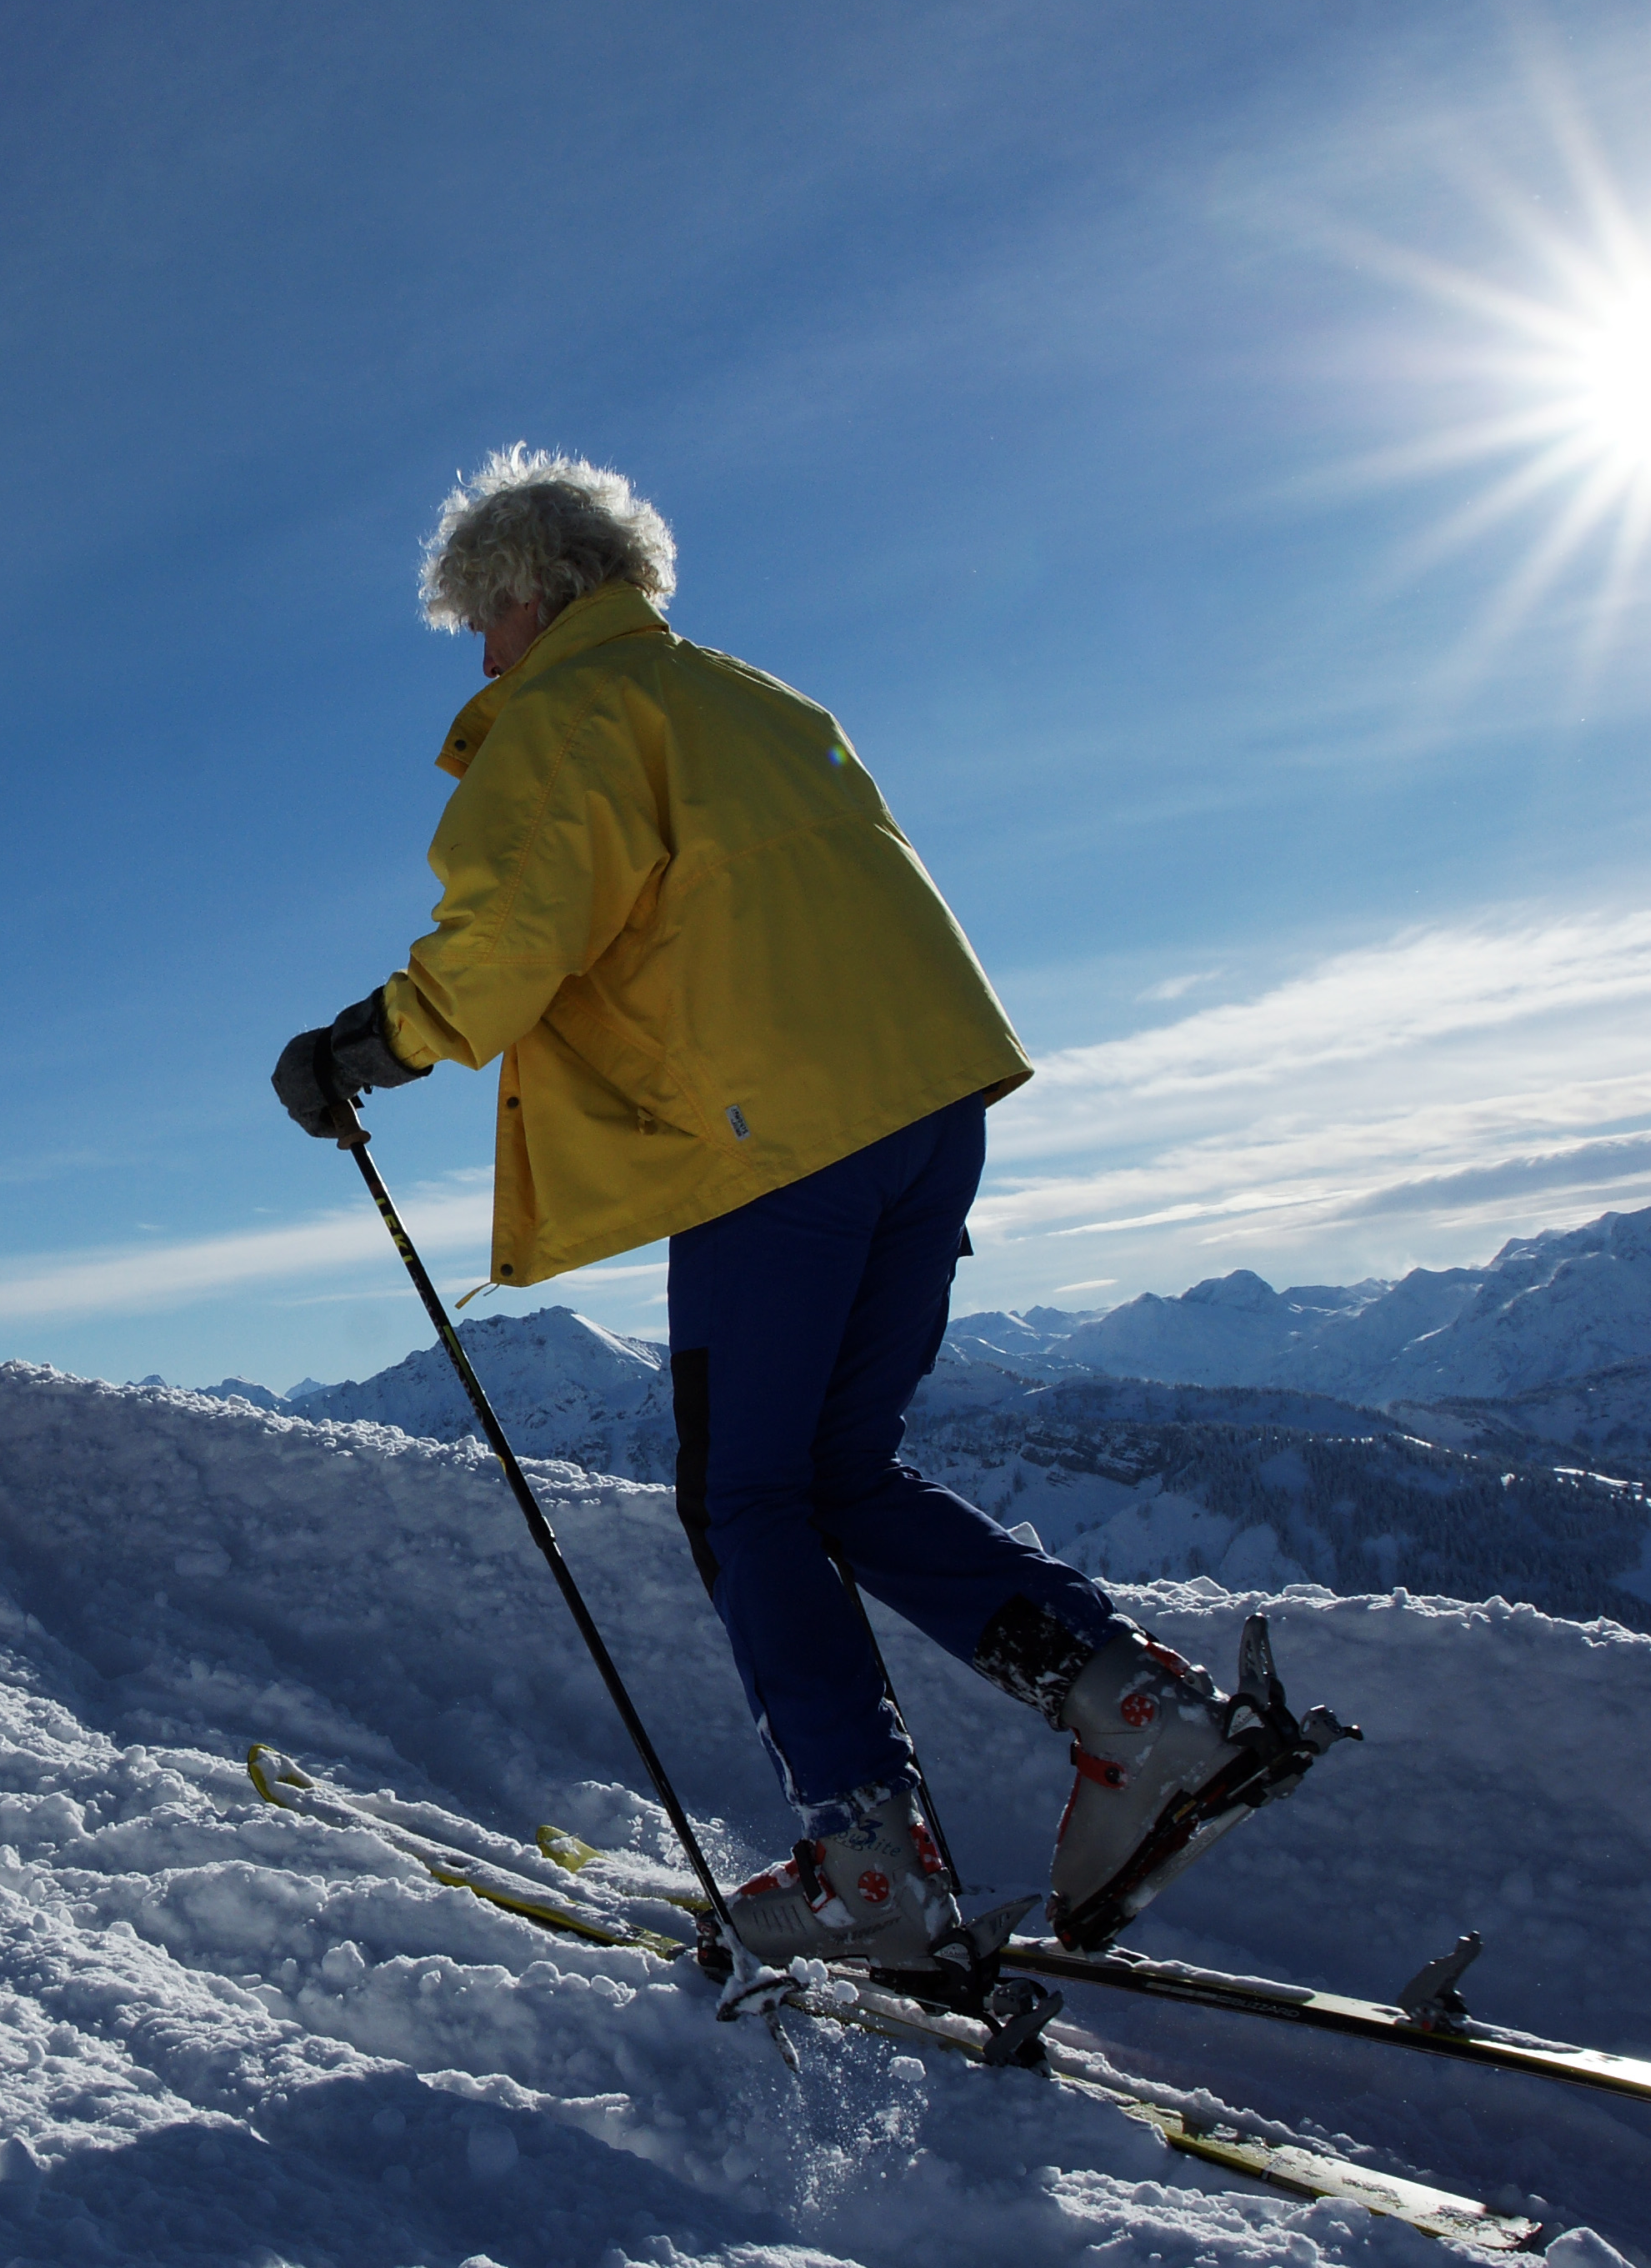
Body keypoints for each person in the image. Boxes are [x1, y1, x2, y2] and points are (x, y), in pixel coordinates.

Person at [273, 447, 1348, 1984]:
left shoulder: (571, 711)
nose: (480, 654)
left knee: (746, 1496)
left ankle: (862, 1861)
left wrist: (365, 1042)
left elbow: (515, 928)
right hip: (927, 1107)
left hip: (770, 1138)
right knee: (838, 1470)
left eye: (478, 622)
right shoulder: (758, 701)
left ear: (525, 591)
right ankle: (1141, 1716)